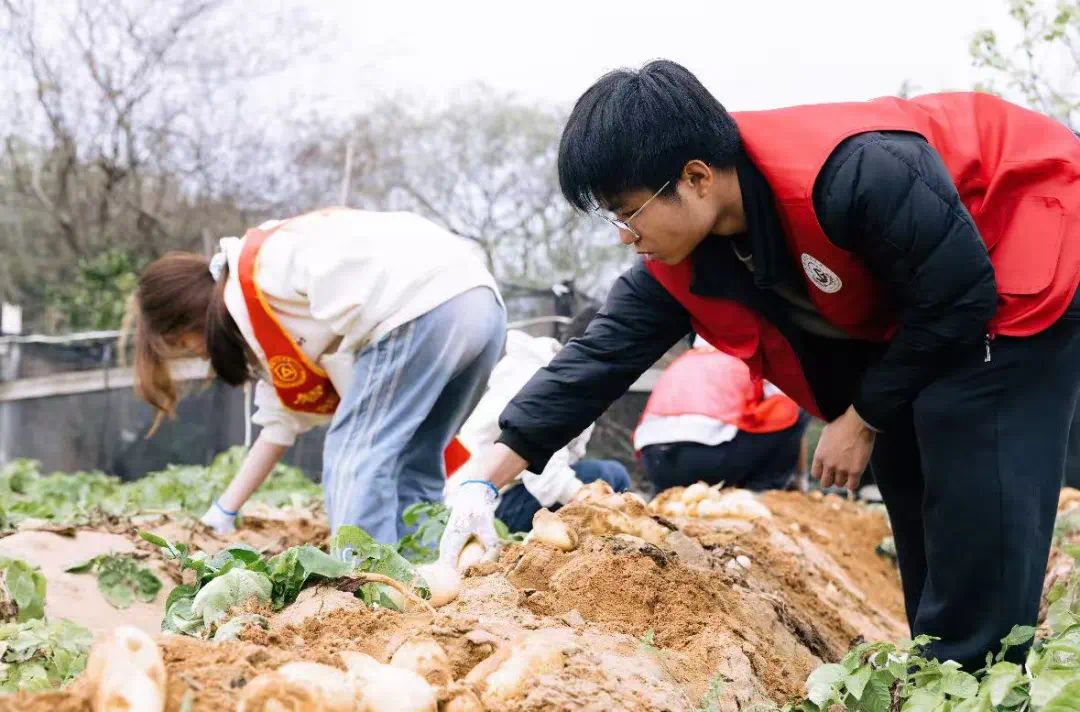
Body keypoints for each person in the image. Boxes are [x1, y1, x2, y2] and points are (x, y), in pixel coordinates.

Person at [437, 60, 1080, 671]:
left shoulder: (857, 171)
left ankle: (980, 676)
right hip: (933, 299)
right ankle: (944, 667)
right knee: (903, 457)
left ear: (695, 178)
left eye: (628, 212)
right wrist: (483, 481)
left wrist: (861, 417)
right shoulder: (680, 261)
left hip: (1023, 233)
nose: (624, 236)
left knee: (965, 427)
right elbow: (597, 358)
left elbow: (958, 295)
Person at [131, 207, 505, 544]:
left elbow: (345, 269)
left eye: (182, 343)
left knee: (354, 454)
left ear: (188, 315)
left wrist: (356, 354)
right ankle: (424, 567)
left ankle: (368, 581)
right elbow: (279, 424)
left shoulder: (263, 264)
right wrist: (224, 510)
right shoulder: (266, 316)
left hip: (423, 307)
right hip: (483, 304)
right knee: (416, 458)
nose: (196, 353)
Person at [446, 326, 631, 533]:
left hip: (486, 494)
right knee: (607, 475)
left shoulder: (543, 371)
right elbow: (544, 476)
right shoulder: (548, 383)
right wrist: (590, 498)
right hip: (484, 507)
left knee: (604, 477)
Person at [635, 338, 809, 493]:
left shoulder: (685, 360)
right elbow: (789, 408)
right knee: (795, 406)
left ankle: (664, 494)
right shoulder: (751, 360)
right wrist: (801, 478)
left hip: (653, 461)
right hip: (709, 461)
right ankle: (761, 493)